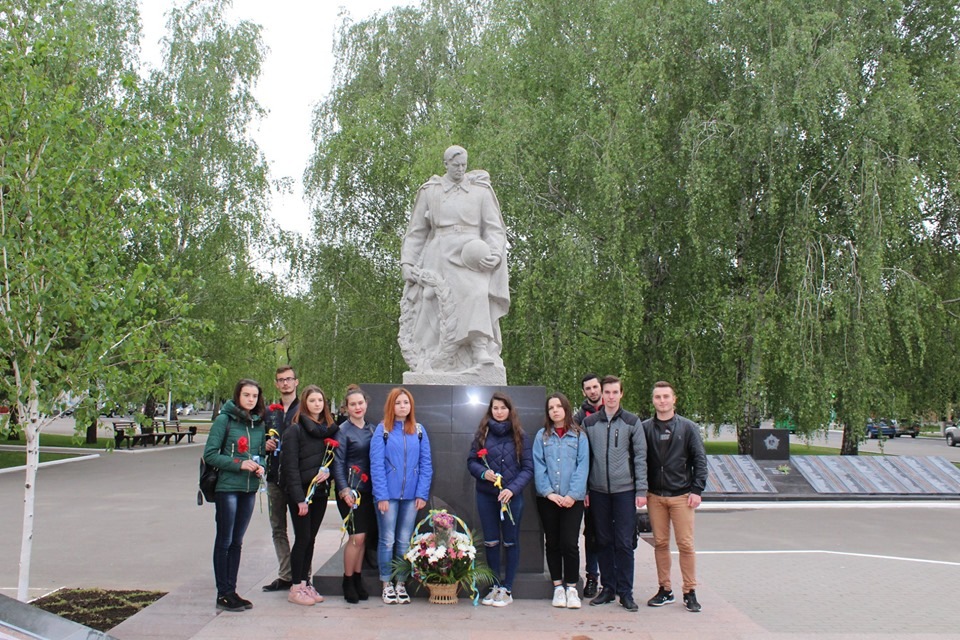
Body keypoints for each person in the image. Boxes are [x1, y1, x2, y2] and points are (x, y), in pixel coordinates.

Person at [399, 145, 510, 373]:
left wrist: (495, 254)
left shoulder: (481, 191)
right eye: (456, 165)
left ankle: (479, 348)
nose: (460, 169)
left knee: (477, 292)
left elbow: (494, 229)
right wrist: (407, 262)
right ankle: (431, 357)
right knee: (432, 301)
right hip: (439, 252)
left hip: (472, 254)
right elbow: (417, 231)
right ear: (446, 164)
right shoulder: (430, 191)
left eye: (464, 165)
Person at [581, 375, 647, 612]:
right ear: (602, 394)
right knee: (603, 541)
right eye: (607, 392)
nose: (610, 397)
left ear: (621, 394)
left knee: (624, 542)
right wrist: (585, 489)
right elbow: (584, 458)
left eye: (614, 392)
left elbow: (640, 457)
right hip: (598, 491)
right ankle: (608, 588)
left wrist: (641, 489)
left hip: (624, 491)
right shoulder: (589, 424)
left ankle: (625, 592)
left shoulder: (632, 422)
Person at [202, 379, 267, 612]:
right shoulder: (225, 420)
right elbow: (210, 454)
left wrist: (261, 466)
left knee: (237, 542)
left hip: (248, 489)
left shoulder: (258, 423)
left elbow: (261, 454)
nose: (251, 399)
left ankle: (232, 590)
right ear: (238, 396)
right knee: (225, 540)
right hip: (227, 487)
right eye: (246, 395)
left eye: (254, 396)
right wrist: (239, 464)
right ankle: (223, 593)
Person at [643, 381, 707, 613]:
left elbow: (699, 459)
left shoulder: (688, 427)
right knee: (660, 543)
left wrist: (697, 489)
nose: (662, 401)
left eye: (666, 396)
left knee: (685, 544)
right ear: (653, 400)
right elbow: (640, 460)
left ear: (674, 399)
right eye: (658, 397)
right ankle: (665, 589)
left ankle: (690, 591)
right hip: (655, 496)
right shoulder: (645, 428)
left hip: (682, 495)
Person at [467, 392, 533, 607]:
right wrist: (482, 473)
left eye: (503, 408)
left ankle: (507, 588)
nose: (499, 412)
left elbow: (528, 468)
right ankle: (495, 586)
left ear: (510, 410)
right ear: (490, 410)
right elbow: (471, 462)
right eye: (495, 408)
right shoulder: (482, 434)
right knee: (491, 541)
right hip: (486, 496)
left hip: (511, 498)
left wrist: (512, 489)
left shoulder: (520, 435)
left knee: (510, 541)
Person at [370, 387, 433, 605]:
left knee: (404, 541)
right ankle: (386, 583)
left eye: (406, 402)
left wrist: (422, 493)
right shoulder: (382, 431)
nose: (402, 406)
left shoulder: (419, 431)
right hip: (388, 496)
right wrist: (381, 495)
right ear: (391, 406)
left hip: (412, 497)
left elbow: (426, 464)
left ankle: (401, 583)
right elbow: (377, 465)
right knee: (387, 540)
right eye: (398, 403)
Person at [281, 385, 339, 606]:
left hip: (320, 493)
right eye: (312, 400)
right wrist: (299, 499)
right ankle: (295, 587)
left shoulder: (328, 430)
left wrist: (329, 472)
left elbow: (333, 460)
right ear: (305, 403)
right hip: (301, 495)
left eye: (320, 401)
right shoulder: (295, 430)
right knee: (303, 538)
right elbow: (290, 468)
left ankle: (305, 583)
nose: (317, 404)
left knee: (311, 538)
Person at [533, 393, 589, 609]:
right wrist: (548, 492)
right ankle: (558, 586)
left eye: (558, 406)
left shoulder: (579, 436)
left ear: (566, 408)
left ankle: (572, 588)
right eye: (551, 408)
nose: (555, 410)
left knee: (570, 543)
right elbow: (539, 465)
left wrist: (572, 495)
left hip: (572, 500)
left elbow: (582, 466)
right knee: (553, 542)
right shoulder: (542, 436)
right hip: (548, 499)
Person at [332, 386, 376, 603]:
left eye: (360, 403)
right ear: (346, 407)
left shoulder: (372, 429)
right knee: (356, 537)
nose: (357, 407)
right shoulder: (343, 431)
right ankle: (347, 580)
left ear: (366, 404)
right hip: (350, 491)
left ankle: (357, 579)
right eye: (353, 404)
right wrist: (344, 490)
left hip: (368, 491)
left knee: (363, 537)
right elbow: (338, 463)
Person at [262, 366, 300, 592]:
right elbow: (259, 438)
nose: (285, 383)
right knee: (278, 527)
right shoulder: (270, 412)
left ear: (296, 382)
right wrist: (264, 445)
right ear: (276, 384)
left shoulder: (303, 410)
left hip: (297, 479)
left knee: (301, 531)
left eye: (289, 379)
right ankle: (285, 574)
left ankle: (302, 574)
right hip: (274, 477)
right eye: (281, 380)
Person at [572, 373, 603, 598]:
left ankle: (613, 577)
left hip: (612, 485)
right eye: (588, 388)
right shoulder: (579, 418)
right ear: (584, 392)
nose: (592, 391)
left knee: (611, 534)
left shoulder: (615, 412)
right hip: (588, 486)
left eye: (595, 387)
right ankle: (592, 576)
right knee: (591, 535)